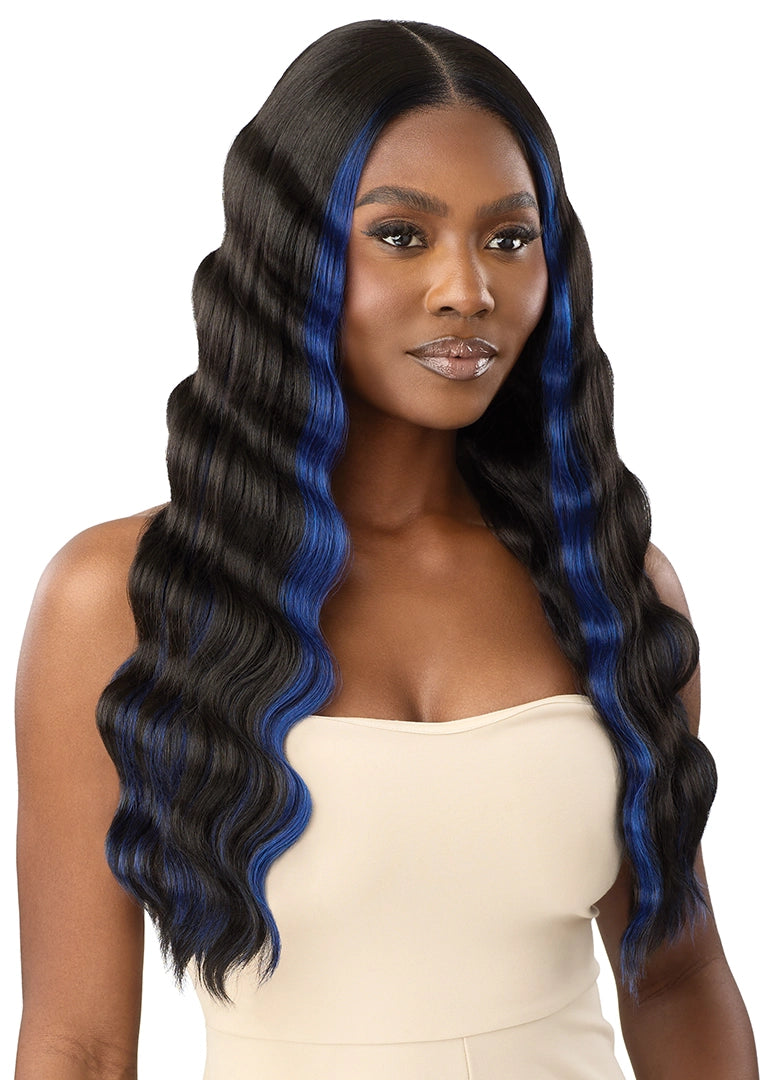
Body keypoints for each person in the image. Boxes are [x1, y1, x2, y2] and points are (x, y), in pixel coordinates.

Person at [14, 18, 758, 1080]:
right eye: (402, 235)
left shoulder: (612, 587)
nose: (467, 289)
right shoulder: (124, 599)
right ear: (290, 252)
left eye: (509, 238)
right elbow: (79, 1045)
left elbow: (676, 977)